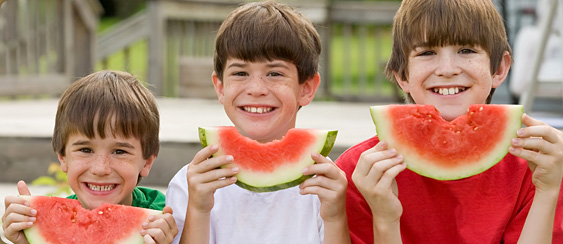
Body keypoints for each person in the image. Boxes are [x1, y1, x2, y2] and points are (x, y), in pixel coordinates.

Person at [335, 0, 563, 243]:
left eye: (466, 50)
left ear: (498, 68)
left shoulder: (538, 166)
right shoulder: (360, 173)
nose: (447, 69)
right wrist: (385, 220)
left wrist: (547, 191)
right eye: (427, 53)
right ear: (402, 76)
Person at [165, 1, 350, 243]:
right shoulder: (190, 183)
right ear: (220, 87)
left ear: (306, 88)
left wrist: (335, 217)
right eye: (240, 73)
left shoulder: (325, 186)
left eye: (275, 73)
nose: (256, 89)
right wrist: (198, 209)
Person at [2, 70, 178, 244]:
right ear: (63, 158)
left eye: (119, 152)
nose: (100, 168)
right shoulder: (50, 219)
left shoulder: (163, 217)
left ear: (147, 162)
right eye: (85, 150)